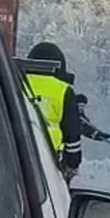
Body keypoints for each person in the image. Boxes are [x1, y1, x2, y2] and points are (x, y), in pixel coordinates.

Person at [25, 42, 82, 181]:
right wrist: (72, 164)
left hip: (19, 155)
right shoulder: (63, 90)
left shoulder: (16, 82)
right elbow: (72, 134)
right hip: (49, 162)